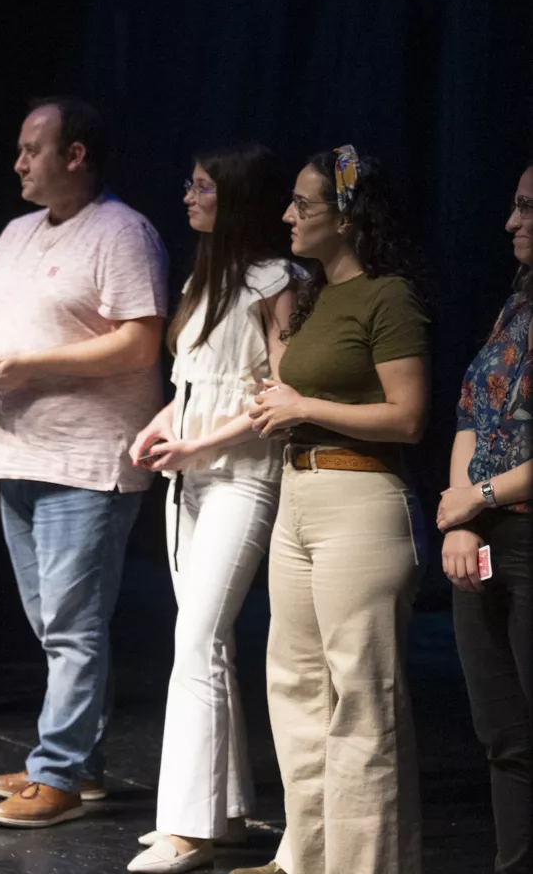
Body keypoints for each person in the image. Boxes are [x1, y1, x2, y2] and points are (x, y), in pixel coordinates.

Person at [0, 96, 167, 830]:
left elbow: (140, 343)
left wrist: (32, 365)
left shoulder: (122, 232)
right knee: (53, 624)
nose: (18, 163)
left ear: (74, 155)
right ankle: (77, 764)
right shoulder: (17, 231)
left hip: (87, 460)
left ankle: (57, 772)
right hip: (15, 453)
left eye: (32, 149)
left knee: (73, 626)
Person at [244, 146, 430, 874]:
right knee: (294, 688)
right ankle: (306, 860)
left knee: (363, 701)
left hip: (360, 500)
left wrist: (304, 405)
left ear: (346, 218)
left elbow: (408, 417)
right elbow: (299, 389)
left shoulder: (390, 297)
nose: (288, 215)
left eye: (303, 204)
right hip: (298, 494)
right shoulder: (317, 296)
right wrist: (281, 406)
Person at [123, 144, 294, 873]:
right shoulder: (203, 278)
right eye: (189, 184)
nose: (188, 197)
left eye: (201, 187)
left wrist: (201, 446)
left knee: (196, 640)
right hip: (190, 482)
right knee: (206, 645)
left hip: (242, 478)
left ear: (234, 198)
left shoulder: (277, 282)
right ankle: (220, 814)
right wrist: (164, 424)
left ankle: (185, 831)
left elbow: (278, 399)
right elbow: (194, 384)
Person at [439, 163, 532, 874]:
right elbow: (473, 410)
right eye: (512, 204)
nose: (511, 223)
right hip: (489, 535)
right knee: (503, 733)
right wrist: (462, 518)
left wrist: (484, 498)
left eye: (528, 208)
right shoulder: (515, 309)